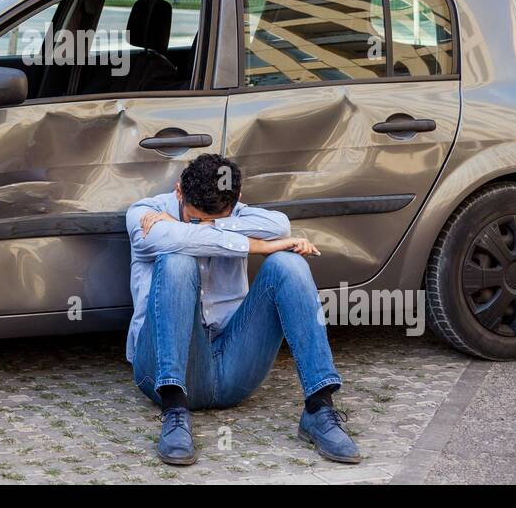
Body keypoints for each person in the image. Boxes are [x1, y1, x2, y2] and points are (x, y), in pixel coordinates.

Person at [125, 153, 361, 466]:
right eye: (194, 217)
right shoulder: (146, 213)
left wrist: (213, 225)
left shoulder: (236, 212)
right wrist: (257, 244)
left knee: (288, 263)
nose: (200, 225)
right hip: (162, 371)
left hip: (233, 367)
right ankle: (174, 412)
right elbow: (170, 238)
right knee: (176, 259)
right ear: (178, 190)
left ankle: (319, 409)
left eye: (213, 219)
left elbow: (280, 225)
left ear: (236, 199)